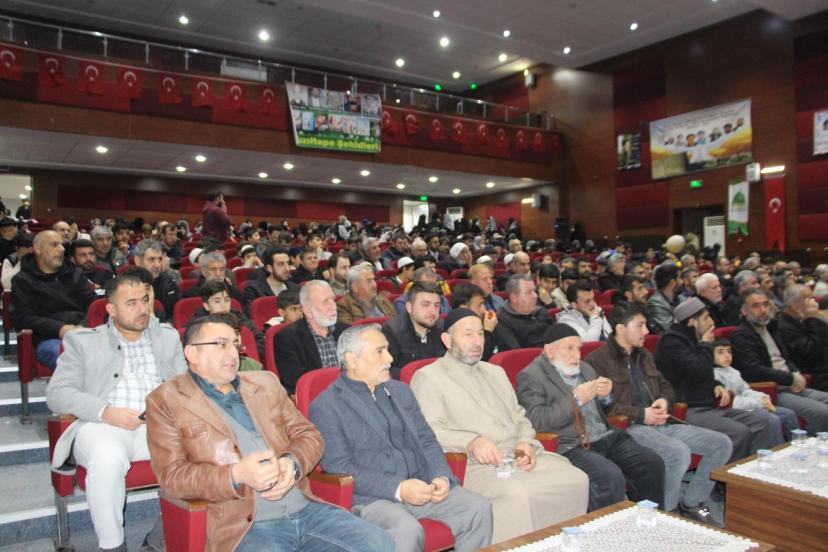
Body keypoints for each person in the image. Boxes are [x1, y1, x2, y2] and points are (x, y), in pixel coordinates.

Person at [145, 314, 394, 552]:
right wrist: (236, 474)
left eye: (235, 344)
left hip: (304, 507)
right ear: (192, 353)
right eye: (221, 344)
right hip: (243, 523)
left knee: (379, 542)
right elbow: (172, 477)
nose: (233, 353)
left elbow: (309, 436)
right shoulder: (166, 400)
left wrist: (292, 463)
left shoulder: (265, 383)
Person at [410, 309, 588, 543]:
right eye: (468, 334)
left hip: (516, 456)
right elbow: (429, 431)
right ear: (447, 340)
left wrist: (525, 442)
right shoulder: (428, 377)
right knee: (519, 493)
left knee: (576, 479)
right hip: (473, 464)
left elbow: (520, 417)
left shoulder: (496, 372)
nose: (477, 341)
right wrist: (472, 442)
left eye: (480, 334)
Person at [309, 325, 492, 552]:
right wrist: (398, 488)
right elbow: (339, 466)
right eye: (379, 351)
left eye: (387, 349)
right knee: (406, 530)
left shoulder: (400, 391)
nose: (390, 358)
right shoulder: (327, 406)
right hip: (372, 498)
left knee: (477, 508)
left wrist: (441, 476)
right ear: (352, 360)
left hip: (422, 485)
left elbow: (427, 440)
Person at [46, 274, 187, 551]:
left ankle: (159, 539)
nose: (142, 309)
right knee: (107, 457)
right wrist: (106, 412)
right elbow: (57, 393)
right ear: (111, 308)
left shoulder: (168, 337)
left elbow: (185, 386)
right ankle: (113, 546)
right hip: (103, 427)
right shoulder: (83, 341)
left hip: (159, 427)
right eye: (131, 303)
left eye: (144, 300)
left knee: (212, 449)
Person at [587, 301, 732, 522]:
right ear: (621, 329)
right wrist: (641, 414)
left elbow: (666, 386)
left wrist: (664, 400)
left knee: (722, 443)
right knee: (678, 453)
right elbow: (601, 407)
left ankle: (691, 502)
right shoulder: (597, 361)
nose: (647, 331)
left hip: (661, 422)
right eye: (640, 326)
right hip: (629, 428)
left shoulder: (643, 355)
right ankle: (666, 513)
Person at [517, 324, 665, 511]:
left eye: (579, 348)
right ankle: (608, 527)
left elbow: (606, 409)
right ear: (550, 350)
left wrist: (606, 397)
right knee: (609, 476)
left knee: (652, 463)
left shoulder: (586, 369)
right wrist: (576, 400)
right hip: (572, 445)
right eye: (569, 348)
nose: (577, 355)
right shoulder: (531, 376)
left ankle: (647, 520)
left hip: (606, 437)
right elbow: (537, 421)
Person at [656, 297, 772, 460]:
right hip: (687, 409)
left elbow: (703, 373)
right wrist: (705, 344)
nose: (711, 322)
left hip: (709, 405)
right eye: (706, 318)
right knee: (739, 432)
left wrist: (717, 384)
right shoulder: (671, 342)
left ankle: (754, 468)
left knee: (764, 421)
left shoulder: (695, 338)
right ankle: (728, 475)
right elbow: (697, 370)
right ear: (692, 322)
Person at [730, 288, 828, 433]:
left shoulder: (772, 327)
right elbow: (754, 370)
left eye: (765, 304)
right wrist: (790, 378)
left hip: (791, 384)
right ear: (744, 311)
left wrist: (795, 372)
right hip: (772, 390)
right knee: (823, 412)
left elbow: (785, 357)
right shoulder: (741, 335)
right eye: (756, 306)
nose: (763, 310)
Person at [12, 230, 97, 369]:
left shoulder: (76, 274)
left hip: (84, 331)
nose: (62, 249)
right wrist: (61, 329)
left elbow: (93, 305)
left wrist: (83, 326)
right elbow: (23, 318)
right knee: (74, 360)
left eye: (62, 245)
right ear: (38, 249)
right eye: (54, 244)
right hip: (50, 337)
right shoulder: (22, 280)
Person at [713, 338, 798, 445]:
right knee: (772, 420)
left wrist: (763, 397)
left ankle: (796, 445)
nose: (727, 356)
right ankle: (777, 451)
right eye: (720, 352)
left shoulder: (733, 371)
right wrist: (759, 403)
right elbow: (733, 403)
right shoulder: (714, 375)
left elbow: (746, 390)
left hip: (752, 405)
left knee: (788, 414)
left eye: (729, 351)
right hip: (737, 410)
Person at [273, 280, 349, 394]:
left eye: (333, 299)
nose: (333, 306)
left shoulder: (346, 331)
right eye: (325, 302)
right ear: (308, 311)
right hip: (318, 397)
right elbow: (295, 383)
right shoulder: (287, 338)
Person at [382, 282, 446, 379]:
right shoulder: (392, 331)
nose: (433, 311)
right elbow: (388, 368)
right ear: (409, 307)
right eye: (425, 305)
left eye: (436, 305)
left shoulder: (444, 328)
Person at [774, 285, 828, 391]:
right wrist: (812, 319)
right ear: (794, 306)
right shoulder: (782, 326)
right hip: (813, 377)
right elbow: (813, 353)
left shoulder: (800, 319)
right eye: (809, 300)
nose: (814, 304)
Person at [197, 280, 265, 360]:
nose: (224, 305)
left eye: (227, 300)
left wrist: (245, 351)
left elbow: (260, 341)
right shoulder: (197, 325)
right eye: (217, 301)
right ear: (206, 306)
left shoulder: (239, 317)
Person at [494, 274, 555, 351]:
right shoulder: (501, 321)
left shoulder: (541, 312)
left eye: (534, 291)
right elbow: (516, 353)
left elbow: (557, 338)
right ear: (514, 297)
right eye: (529, 292)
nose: (535, 296)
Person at [133, 239, 179, 323]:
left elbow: (176, 315)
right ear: (138, 261)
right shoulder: (126, 286)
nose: (157, 265)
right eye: (151, 259)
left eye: (160, 259)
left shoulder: (169, 282)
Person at [243, 246, 299, 310]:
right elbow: (252, 313)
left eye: (288, 263)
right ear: (269, 268)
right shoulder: (254, 289)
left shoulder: (295, 288)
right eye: (281, 264)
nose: (287, 269)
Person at [646, 263, 679, 334]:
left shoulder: (678, 297)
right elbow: (670, 329)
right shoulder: (656, 302)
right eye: (680, 278)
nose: (682, 281)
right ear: (672, 282)